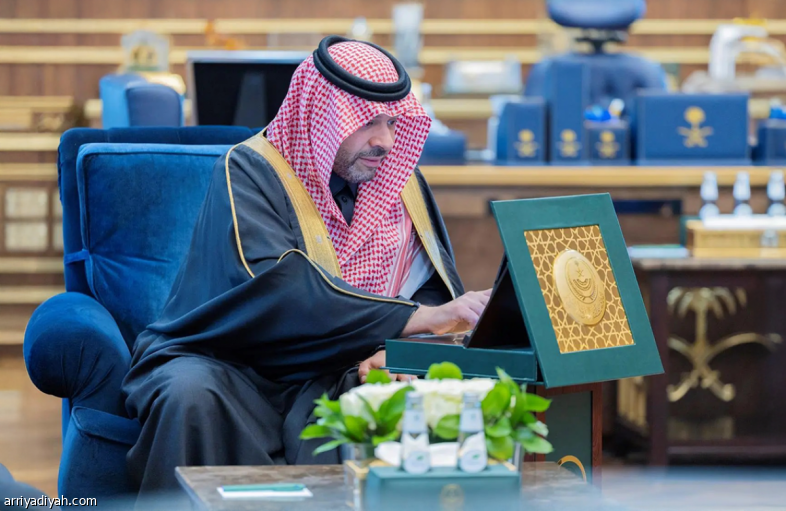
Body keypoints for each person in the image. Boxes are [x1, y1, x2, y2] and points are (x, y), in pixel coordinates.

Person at [122, 35, 491, 494]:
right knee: (188, 395)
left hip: (346, 365)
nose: (385, 141)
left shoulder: (400, 182)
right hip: (237, 364)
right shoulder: (250, 170)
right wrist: (411, 319)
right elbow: (279, 291)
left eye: (393, 122)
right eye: (367, 122)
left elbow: (428, 288)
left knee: (408, 394)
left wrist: (398, 349)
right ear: (323, 117)